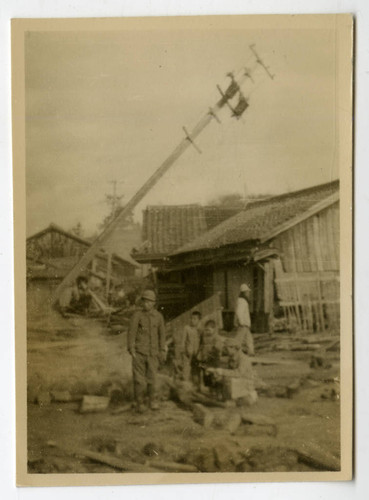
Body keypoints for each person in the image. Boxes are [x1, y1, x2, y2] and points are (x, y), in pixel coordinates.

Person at [127, 289, 166, 413]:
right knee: (139, 380)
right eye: (144, 301)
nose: (146, 304)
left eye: (150, 302)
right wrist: (131, 348)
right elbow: (131, 333)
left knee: (152, 378)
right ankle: (140, 403)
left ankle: (152, 401)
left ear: (154, 303)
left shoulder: (159, 317)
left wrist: (162, 350)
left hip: (153, 353)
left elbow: (162, 335)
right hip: (139, 352)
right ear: (141, 302)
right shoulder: (137, 315)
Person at [205, 337, 257, 404]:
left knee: (227, 380)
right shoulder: (232, 357)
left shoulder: (244, 359)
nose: (225, 351)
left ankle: (233, 399)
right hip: (238, 381)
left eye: (227, 349)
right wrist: (216, 372)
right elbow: (229, 370)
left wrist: (222, 371)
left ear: (234, 348)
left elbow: (238, 373)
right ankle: (223, 396)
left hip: (246, 382)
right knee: (218, 377)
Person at [197, 319, 224, 390]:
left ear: (214, 329)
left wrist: (213, 351)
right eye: (206, 330)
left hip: (214, 359)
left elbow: (218, 348)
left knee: (214, 374)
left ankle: (216, 388)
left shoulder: (217, 338)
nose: (207, 331)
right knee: (205, 373)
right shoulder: (204, 337)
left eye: (209, 330)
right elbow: (201, 345)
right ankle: (208, 387)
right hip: (205, 358)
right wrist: (200, 353)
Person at [234, 283, 255, 356]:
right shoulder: (242, 301)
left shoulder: (243, 300)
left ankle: (251, 352)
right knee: (239, 340)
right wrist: (242, 322)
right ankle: (234, 353)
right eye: (248, 292)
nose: (249, 293)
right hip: (243, 324)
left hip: (245, 324)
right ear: (245, 292)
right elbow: (239, 312)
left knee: (249, 339)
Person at [182, 311, 202, 383]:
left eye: (195, 319)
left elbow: (202, 342)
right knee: (186, 370)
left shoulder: (200, 330)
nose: (192, 320)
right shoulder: (187, 328)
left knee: (196, 370)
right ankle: (185, 385)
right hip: (188, 353)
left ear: (199, 320)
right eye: (191, 318)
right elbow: (183, 341)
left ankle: (196, 386)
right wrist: (184, 351)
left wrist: (200, 352)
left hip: (197, 354)